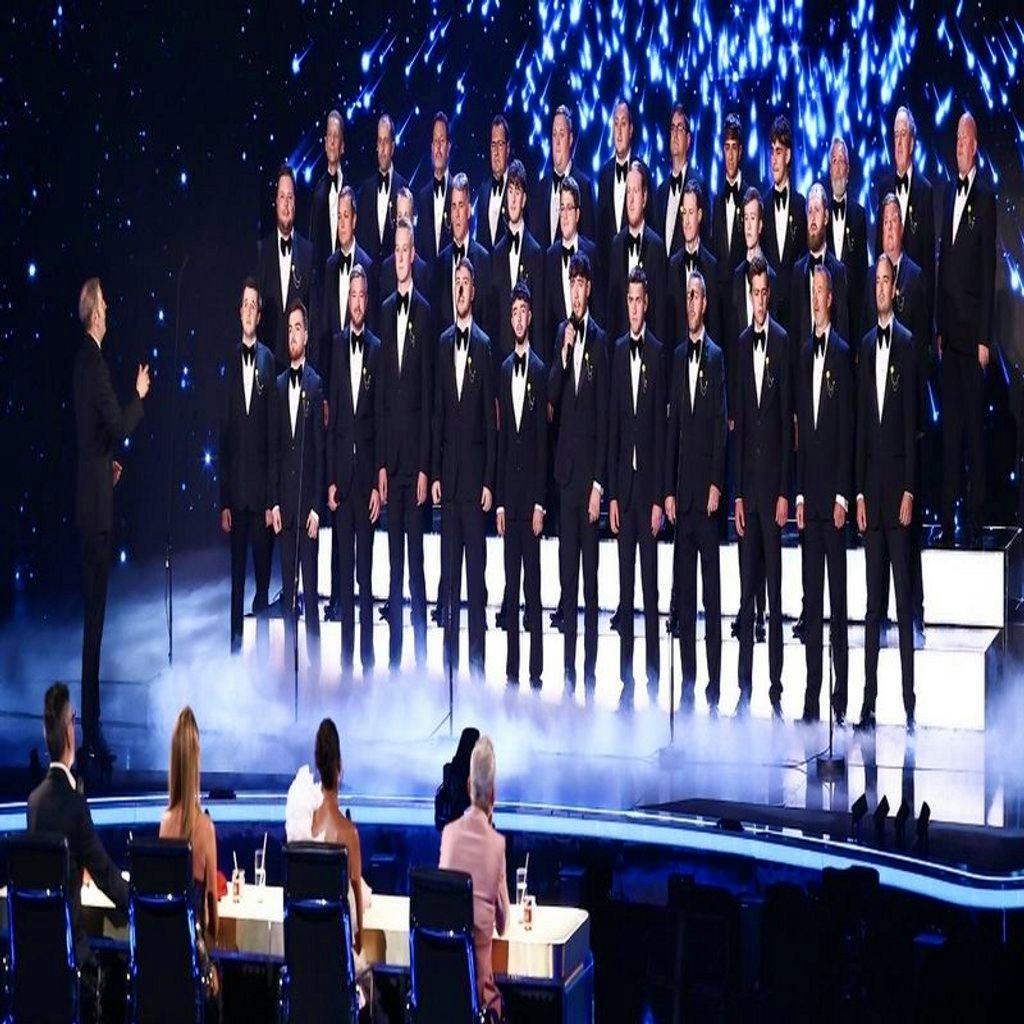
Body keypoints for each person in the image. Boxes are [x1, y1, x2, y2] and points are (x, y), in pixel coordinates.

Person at [73, 278, 150, 762]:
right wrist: (139, 395)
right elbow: (117, 426)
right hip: (95, 511)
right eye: (105, 303)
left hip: (90, 493)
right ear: (95, 315)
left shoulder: (81, 362)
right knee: (95, 624)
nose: (109, 307)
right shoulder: (95, 362)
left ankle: (91, 729)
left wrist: (106, 469)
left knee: (93, 621)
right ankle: (92, 733)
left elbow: (92, 437)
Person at [28, 682, 130, 1018]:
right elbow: (103, 874)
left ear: (47, 735)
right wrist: (141, 899)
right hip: (73, 961)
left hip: (39, 962)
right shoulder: (74, 804)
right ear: (70, 732)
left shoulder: (34, 803)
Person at [855, 255, 917, 732]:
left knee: (899, 604)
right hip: (870, 498)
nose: (879, 288)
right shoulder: (861, 346)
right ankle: (868, 702)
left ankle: (909, 701)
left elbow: (913, 425)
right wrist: (856, 494)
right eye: (874, 281)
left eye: (885, 281)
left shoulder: (910, 346)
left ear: (895, 289)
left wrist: (910, 490)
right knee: (872, 607)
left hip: (898, 495)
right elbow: (859, 429)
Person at [664, 271, 727, 712]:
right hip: (680, 497)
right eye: (686, 295)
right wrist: (668, 488)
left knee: (711, 595)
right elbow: (671, 431)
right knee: (684, 599)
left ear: (705, 303)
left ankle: (714, 684)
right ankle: (687, 683)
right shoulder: (675, 357)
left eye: (695, 295)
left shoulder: (718, 358)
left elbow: (720, 430)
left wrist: (716, 484)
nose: (690, 302)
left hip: (706, 498)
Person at [431, 259, 497, 678]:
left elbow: (492, 421)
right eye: (455, 282)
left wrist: (489, 479)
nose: (460, 289)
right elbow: (438, 413)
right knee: (449, 579)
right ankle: (450, 665)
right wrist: (436, 473)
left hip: (475, 483)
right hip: (449, 480)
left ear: (474, 292)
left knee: (476, 579)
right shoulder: (441, 344)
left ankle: (476, 665)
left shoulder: (487, 345)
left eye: (465, 283)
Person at [795, 267, 853, 725]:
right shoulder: (801, 353)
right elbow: (798, 433)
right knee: (811, 604)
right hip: (807, 502)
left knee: (837, 605)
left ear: (831, 299)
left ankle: (841, 693)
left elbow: (847, 435)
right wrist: (797, 494)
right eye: (811, 292)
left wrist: (842, 497)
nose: (816, 299)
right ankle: (812, 694)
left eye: (821, 292)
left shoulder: (844, 353)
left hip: (832, 506)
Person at [734, 256, 791, 718]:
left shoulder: (786, 344)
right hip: (746, 493)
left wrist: (784, 494)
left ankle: (775, 684)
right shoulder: (737, 346)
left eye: (763, 293)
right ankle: (744, 684)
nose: (758, 300)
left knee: (773, 595)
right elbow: (736, 428)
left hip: (772, 492)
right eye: (753, 293)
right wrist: (735, 492)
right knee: (746, 593)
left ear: (769, 294)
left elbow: (790, 424)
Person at [548, 253, 609, 689]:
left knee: (590, 584)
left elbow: (606, 421)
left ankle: (588, 669)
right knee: (566, 580)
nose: (575, 291)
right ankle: (567, 668)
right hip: (564, 477)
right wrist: (564, 351)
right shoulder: (560, 335)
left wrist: (599, 485)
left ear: (589, 288)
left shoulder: (604, 342)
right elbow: (551, 398)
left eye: (580, 284)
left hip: (589, 481)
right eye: (571, 284)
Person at [936, 112, 997, 546]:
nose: (958, 145)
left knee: (974, 432)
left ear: (974, 146)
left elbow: (989, 268)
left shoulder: (987, 197)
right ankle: (946, 516)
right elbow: (945, 265)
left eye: (964, 139)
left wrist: (983, 338)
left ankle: (975, 519)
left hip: (971, 337)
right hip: (948, 338)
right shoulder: (945, 192)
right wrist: (939, 327)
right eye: (955, 138)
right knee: (951, 431)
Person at [377, 218, 434, 670]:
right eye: (393, 249)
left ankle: (420, 657)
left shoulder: (428, 313)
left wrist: (424, 468)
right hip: (388, 465)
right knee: (392, 570)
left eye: (404, 249)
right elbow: (378, 397)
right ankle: (395, 664)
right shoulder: (380, 311)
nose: (399, 256)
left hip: (414, 465)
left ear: (413, 252)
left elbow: (431, 400)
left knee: (415, 568)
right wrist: (380, 464)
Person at [608, 267, 666, 702]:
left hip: (648, 494)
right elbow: (612, 428)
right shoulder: (614, 352)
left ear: (647, 303)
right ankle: (626, 678)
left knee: (650, 588)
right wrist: (610, 493)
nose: (632, 307)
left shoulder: (659, 354)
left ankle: (653, 675)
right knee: (624, 590)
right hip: (622, 494)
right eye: (627, 300)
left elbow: (665, 434)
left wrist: (662, 496)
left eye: (638, 300)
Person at [284, 719, 370, 1003]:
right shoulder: (349, 834)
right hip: (337, 978)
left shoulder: (301, 829)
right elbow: (358, 931)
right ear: (340, 767)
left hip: (304, 972)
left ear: (318, 764)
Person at [327, 266, 382, 678]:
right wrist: (330, 477)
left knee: (365, 575)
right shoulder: (334, 346)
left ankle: (367, 656)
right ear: (347, 300)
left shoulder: (378, 350)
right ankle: (346, 659)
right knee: (344, 575)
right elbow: (331, 421)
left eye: (364, 295)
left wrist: (379, 478)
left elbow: (379, 417)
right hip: (341, 480)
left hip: (366, 483)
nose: (359, 302)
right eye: (354, 295)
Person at [219, 278, 276, 653]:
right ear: (239, 311)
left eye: (255, 304)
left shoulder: (270, 360)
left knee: (263, 582)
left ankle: (265, 654)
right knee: (237, 581)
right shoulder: (228, 360)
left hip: (261, 497)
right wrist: (223, 501)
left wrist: (273, 501)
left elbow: (274, 436)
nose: (251, 310)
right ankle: (235, 649)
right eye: (246, 304)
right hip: (236, 497)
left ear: (259, 313)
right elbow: (223, 436)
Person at [496, 282, 547, 688]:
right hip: (507, 501)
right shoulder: (500, 370)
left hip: (530, 500)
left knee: (532, 586)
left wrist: (539, 504)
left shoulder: (542, 371)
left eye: (523, 311)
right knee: (510, 587)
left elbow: (542, 446)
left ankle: (535, 670)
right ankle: (512, 670)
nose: (517, 318)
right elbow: (499, 439)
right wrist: (497, 502)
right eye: (512, 311)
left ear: (530, 317)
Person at [438, 736, 510, 1020]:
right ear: (494, 794)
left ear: (468, 786)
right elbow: (503, 925)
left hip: (442, 995)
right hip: (479, 1001)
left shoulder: (449, 834)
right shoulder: (496, 845)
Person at [270, 301, 325, 661]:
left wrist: (318, 508)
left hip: (307, 512)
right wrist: (273, 503)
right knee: (287, 596)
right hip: (284, 509)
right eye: (288, 328)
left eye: (298, 327)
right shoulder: (276, 385)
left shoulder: (316, 384)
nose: (293, 334)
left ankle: (316, 669)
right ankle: (289, 666)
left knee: (311, 593)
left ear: (306, 334)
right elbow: (273, 450)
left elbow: (320, 453)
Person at [158, 707, 220, 998]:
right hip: (194, 968)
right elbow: (212, 922)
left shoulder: (164, 824)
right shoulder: (205, 827)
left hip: (166, 964)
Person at [873, 106, 935, 329]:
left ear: (912, 142)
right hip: (884, 311)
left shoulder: (924, 190)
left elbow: (928, 259)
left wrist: (929, 322)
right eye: (895, 135)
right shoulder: (883, 187)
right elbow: (878, 250)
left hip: (913, 305)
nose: (899, 142)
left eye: (903, 135)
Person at [256, 164, 314, 370]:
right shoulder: (261, 251)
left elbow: (312, 317)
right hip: (266, 371)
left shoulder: (308, 253)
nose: (286, 204)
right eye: (282, 197)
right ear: (275, 202)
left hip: (297, 371)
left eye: (290, 197)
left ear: (295, 203)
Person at [489, 159, 546, 366]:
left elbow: (538, 317)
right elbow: (493, 319)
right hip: (502, 362)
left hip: (530, 365)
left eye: (518, 192)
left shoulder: (536, 253)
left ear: (524, 200)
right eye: (510, 192)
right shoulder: (496, 254)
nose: (513, 199)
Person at [606, 162, 668, 343]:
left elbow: (659, 313)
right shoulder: (616, 245)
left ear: (645, 197)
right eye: (628, 192)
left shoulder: (657, 248)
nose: (631, 200)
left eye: (636, 192)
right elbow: (613, 311)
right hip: (622, 353)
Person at [761, 116, 807, 342]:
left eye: (778, 151)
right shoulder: (763, 204)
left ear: (788, 156)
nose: (773, 160)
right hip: (769, 316)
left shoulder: (801, 206)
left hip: (795, 316)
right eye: (771, 152)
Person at [542, 175, 601, 351]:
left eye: (569, 208)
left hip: (587, 351)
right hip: (559, 355)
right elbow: (547, 316)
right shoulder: (550, 256)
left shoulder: (590, 252)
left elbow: (597, 309)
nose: (565, 216)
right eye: (562, 209)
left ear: (577, 214)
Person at [788, 182, 849, 346]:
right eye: (809, 211)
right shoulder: (798, 270)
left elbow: (842, 328)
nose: (813, 217)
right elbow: (794, 329)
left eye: (817, 210)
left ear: (826, 217)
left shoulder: (838, 270)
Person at [531, 104, 596, 250]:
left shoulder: (584, 186)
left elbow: (590, 244)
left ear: (571, 138)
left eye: (562, 134)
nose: (558, 142)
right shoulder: (541, 188)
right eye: (554, 135)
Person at [435, 172, 492, 335]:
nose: (457, 214)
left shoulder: (483, 259)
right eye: (453, 206)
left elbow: (486, 319)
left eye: (461, 205)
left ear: (468, 210)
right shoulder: (441, 262)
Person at [826, 136, 869, 349]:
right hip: (826, 320)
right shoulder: (820, 216)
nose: (838, 167)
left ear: (849, 169)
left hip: (852, 322)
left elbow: (862, 276)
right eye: (834, 161)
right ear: (829, 169)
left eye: (842, 161)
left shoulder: (859, 216)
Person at [667, 180, 721, 349]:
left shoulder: (711, 266)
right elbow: (670, 322)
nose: (687, 221)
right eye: (684, 213)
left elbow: (714, 324)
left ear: (699, 215)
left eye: (691, 213)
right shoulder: (673, 265)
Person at [596, 100, 652, 258]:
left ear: (631, 129)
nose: (619, 132)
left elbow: (650, 227)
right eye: (615, 124)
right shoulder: (604, 175)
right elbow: (600, 235)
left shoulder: (643, 172)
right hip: (609, 275)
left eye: (623, 124)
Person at [654, 104, 709, 257]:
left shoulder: (699, 183)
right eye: (672, 128)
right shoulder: (661, 191)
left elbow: (705, 240)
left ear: (689, 139)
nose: (675, 134)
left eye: (680, 128)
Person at [356, 113, 408, 262]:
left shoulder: (403, 187)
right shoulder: (366, 190)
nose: (383, 148)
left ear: (392, 147)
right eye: (380, 141)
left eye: (386, 141)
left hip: (394, 275)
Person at [309, 109, 346, 298]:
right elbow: (313, 243)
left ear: (342, 146)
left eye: (336, 136)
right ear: (325, 143)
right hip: (323, 287)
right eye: (329, 136)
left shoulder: (351, 188)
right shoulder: (318, 191)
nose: (332, 142)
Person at [710, 113, 748, 287]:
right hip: (720, 297)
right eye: (727, 148)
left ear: (740, 151)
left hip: (744, 292)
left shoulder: (750, 198)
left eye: (734, 148)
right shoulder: (717, 201)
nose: (730, 156)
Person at [416, 111, 454, 267]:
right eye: (435, 141)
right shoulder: (422, 197)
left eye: (442, 141)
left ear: (449, 147)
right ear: (431, 147)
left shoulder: (457, 194)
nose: (438, 147)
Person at [475, 114, 511, 254]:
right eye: (493, 145)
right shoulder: (483, 191)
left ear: (508, 148)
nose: (496, 152)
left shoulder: (516, 190)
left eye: (500, 145)